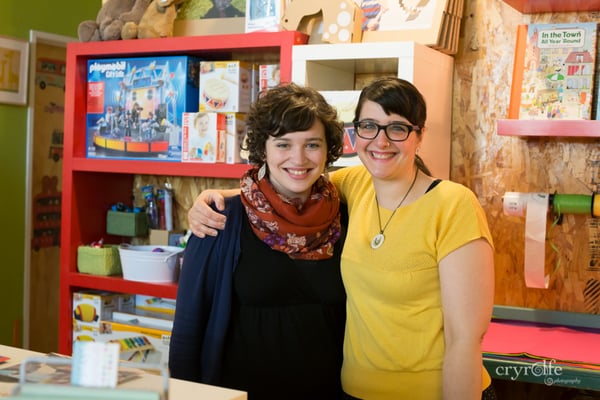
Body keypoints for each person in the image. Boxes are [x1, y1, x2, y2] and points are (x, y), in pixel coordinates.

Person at [187, 77, 496, 400]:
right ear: (356, 132)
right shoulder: (354, 185)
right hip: (354, 392)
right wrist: (216, 198)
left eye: (398, 128)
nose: (381, 140)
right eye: (369, 126)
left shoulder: (453, 204)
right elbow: (291, 179)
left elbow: (466, 341)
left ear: (419, 136)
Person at [169, 82, 347, 399]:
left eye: (312, 144)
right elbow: (187, 331)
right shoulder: (221, 218)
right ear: (262, 147)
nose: (299, 157)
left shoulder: (344, 216)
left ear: (328, 148)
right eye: (283, 144)